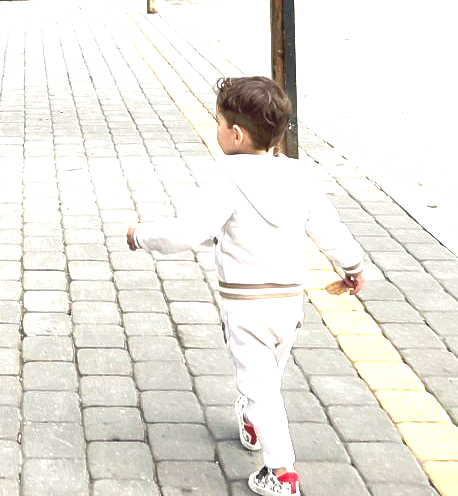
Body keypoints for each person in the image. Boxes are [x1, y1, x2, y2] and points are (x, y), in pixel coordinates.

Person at [127, 78, 365, 496]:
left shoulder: (226, 182)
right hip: (289, 303)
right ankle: (254, 423)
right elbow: (329, 230)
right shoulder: (299, 176)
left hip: (246, 305)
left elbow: (186, 232)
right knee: (268, 376)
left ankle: (281, 472)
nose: (217, 128)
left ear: (235, 134)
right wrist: (353, 265)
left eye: (218, 122)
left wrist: (140, 235)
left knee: (260, 386)